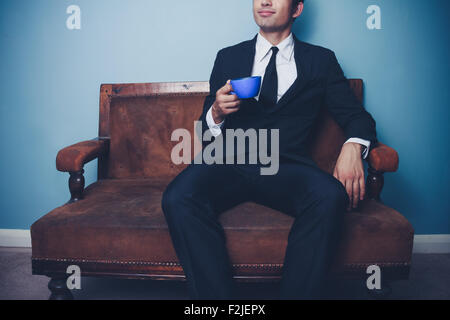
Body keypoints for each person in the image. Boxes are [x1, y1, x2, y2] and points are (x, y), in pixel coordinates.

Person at [161, 0, 378, 300]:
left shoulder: (321, 61)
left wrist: (353, 146)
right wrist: (217, 113)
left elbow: (357, 117)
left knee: (330, 196)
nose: (264, 1)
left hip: (288, 166)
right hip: (229, 161)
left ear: (297, 9)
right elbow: (205, 131)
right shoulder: (228, 57)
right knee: (178, 196)